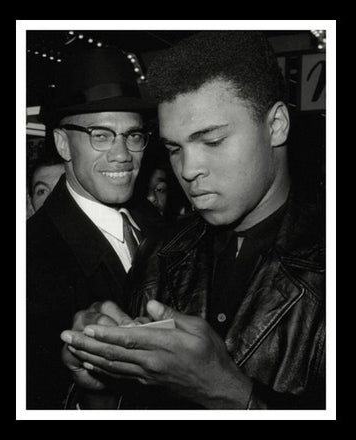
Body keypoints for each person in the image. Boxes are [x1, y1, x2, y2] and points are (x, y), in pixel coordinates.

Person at [61, 31, 325, 410]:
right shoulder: (159, 256)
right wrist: (98, 385)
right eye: (173, 148)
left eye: (212, 141)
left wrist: (231, 393)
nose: (188, 169)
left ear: (277, 125)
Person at [26, 47, 162, 409]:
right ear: (62, 144)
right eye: (100, 135)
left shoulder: (162, 226)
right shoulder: (32, 259)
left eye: (133, 135)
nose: (122, 154)